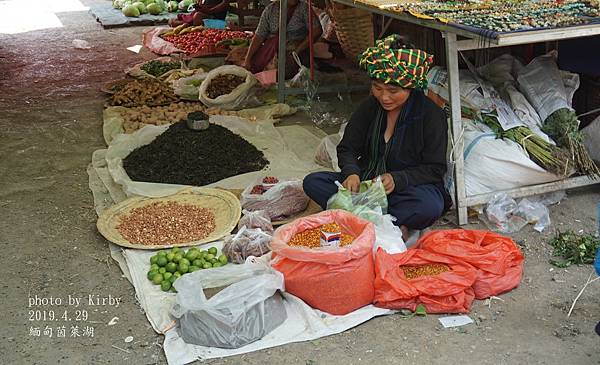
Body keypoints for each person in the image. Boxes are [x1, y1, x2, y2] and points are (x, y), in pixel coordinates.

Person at [303, 34, 452, 237]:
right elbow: (347, 147)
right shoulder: (370, 108)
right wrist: (352, 173)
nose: (384, 97)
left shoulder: (431, 115)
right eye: (377, 88)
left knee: (429, 207)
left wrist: (398, 178)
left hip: (407, 190)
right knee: (313, 182)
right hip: (367, 184)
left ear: (411, 86)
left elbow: (435, 168)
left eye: (393, 90)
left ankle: (359, 215)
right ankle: (379, 218)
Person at [240, 0, 321, 77]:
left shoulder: (303, 8)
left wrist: (298, 50)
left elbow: (317, 31)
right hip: (274, 52)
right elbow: (259, 36)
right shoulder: (270, 10)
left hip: (297, 53)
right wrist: (247, 59)